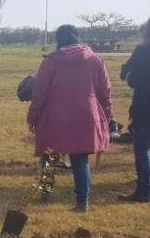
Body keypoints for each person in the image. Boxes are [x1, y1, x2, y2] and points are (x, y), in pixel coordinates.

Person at [27, 25, 113, 213]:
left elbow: (39, 93)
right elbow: (105, 91)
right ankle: (83, 201)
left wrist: (33, 117)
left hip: (56, 115)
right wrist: (106, 116)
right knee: (80, 159)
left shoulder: (51, 62)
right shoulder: (95, 59)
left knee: (48, 155)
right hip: (86, 115)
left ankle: (46, 191)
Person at [119, 20, 150, 203]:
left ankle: (144, 190)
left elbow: (131, 77)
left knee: (142, 149)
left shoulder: (142, 52)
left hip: (145, 108)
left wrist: (129, 75)